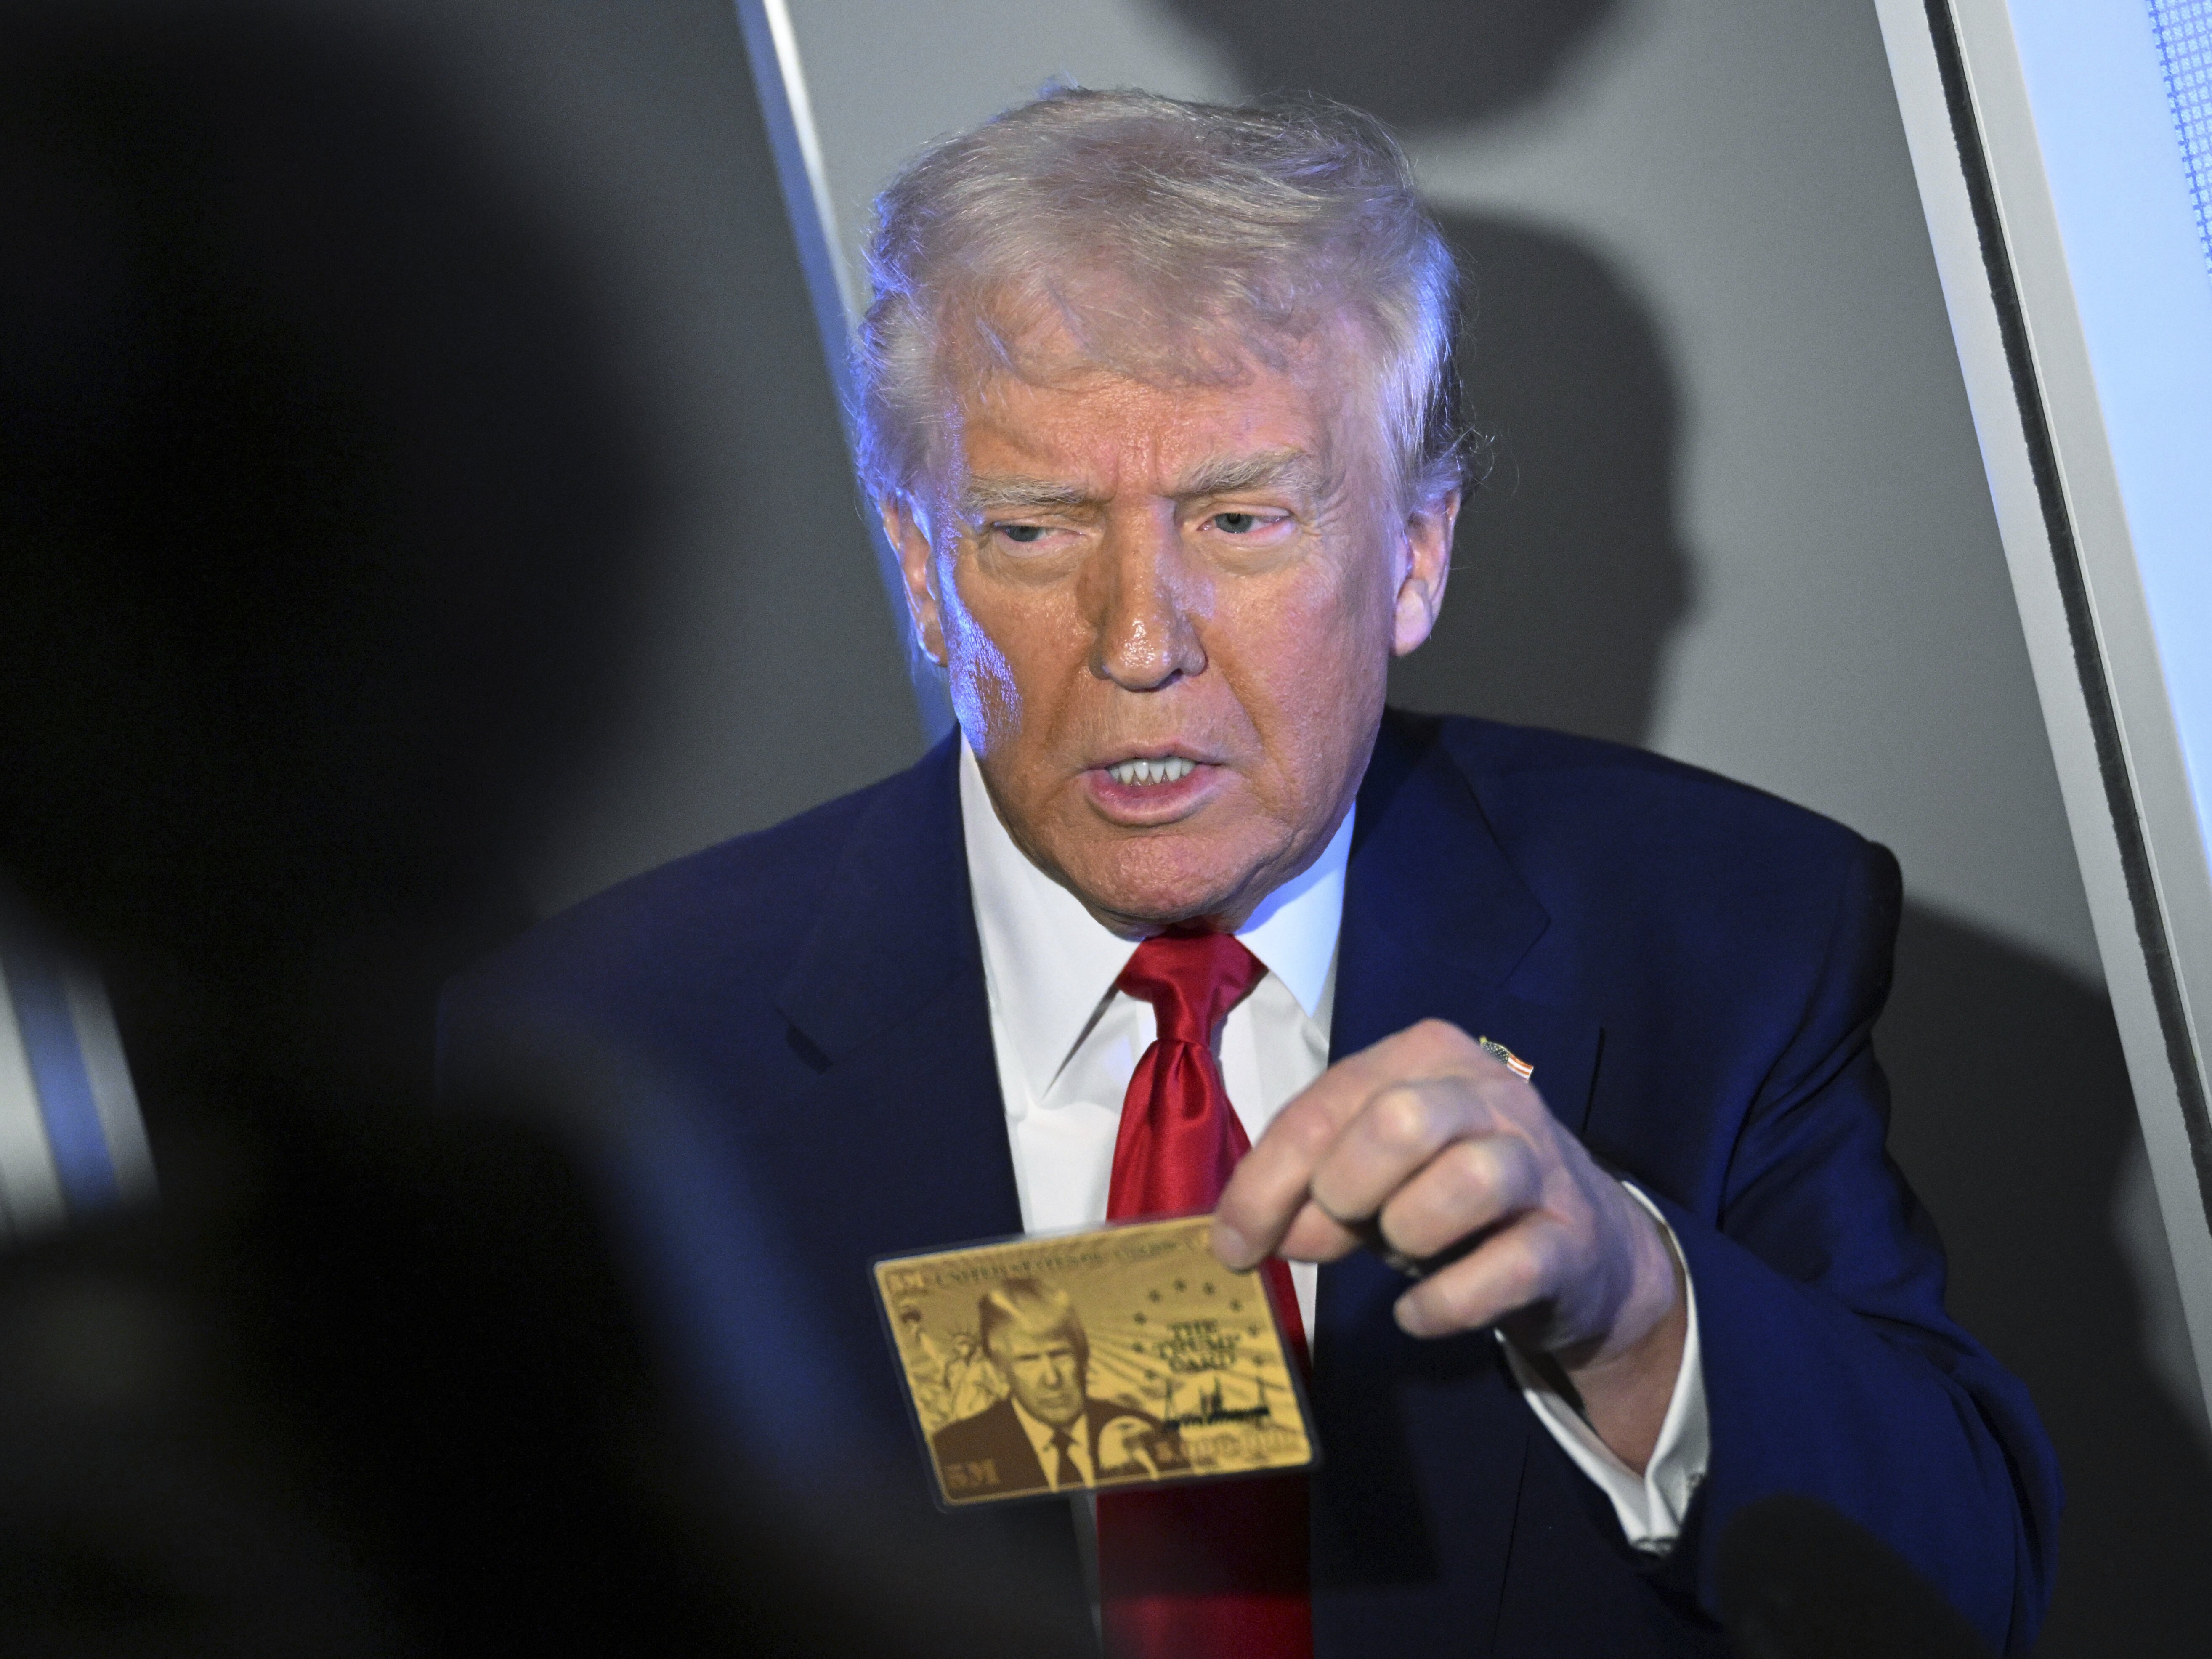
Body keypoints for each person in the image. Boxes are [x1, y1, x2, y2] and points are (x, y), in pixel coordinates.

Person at [442, 88, 2061, 1656]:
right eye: (1030, 531)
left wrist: (1634, 1305)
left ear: (1412, 554)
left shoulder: (1723, 933)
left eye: (1238, 520)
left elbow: (1960, 1596)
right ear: (922, 572)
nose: (1137, 642)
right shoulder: (606, 1047)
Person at [931, 1279, 1188, 1500]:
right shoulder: (953, 1450)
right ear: (999, 1370)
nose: (1052, 1379)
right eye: (1028, 1360)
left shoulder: (1153, 1433)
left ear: (1083, 1358)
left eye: (1060, 1354)